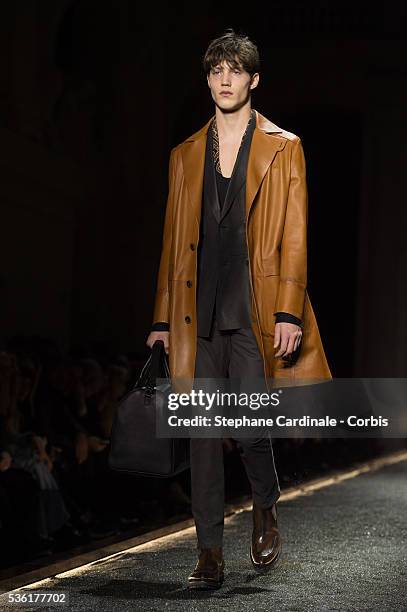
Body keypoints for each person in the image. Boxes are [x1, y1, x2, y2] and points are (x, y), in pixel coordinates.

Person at [146, 29, 331, 589]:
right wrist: (160, 320)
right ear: (207, 79)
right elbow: (172, 241)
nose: (225, 79)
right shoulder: (183, 156)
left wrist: (289, 311)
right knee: (203, 437)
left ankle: (265, 505)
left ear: (254, 80)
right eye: (216, 70)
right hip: (193, 315)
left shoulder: (284, 147)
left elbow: (295, 234)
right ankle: (208, 554)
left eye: (236, 70)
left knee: (249, 427)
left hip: (253, 311)